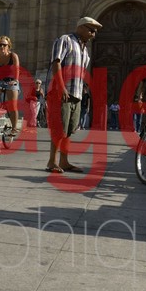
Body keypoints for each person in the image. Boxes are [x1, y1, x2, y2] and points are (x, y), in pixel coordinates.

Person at [46, 16, 102, 174]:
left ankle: (64, 162)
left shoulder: (85, 49)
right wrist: (61, 87)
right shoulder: (66, 40)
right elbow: (56, 62)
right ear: (81, 27)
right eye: (91, 30)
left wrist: (82, 91)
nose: (93, 34)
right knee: (59, 128)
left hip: (76, 94)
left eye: (95, 32)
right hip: (62, 92)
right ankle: (52, 162)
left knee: (69, 130)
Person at [0, 34, 21, 141]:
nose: (2, 47)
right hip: (0, 82)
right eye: (0, 45)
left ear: (8, 46)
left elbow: (17, 69)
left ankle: (14, 128)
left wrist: (15, 80)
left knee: (12, 106)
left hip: (11, 81)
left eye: (4, 45)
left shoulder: (13, 56)